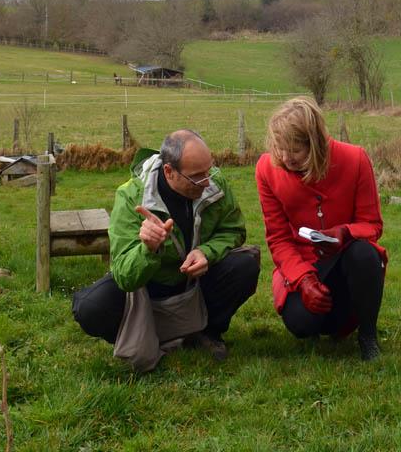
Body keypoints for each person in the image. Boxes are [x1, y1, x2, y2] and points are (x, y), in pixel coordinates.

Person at [72, 129, 260, 366]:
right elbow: (123, 276)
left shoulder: (214, 182)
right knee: (90, 307)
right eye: (197, 177)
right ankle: (149, 336)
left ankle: (207, 331)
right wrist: (147, 250)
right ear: (169, 172)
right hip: (149, 290)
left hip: (196, 282)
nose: (207, 182)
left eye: (209, 170)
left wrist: (206, 252)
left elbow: (234, 230)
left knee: (244, 266)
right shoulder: (131, 197)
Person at [255, 97, 387, 361]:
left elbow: (372, 224)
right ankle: (319, 318)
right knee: (301, 324)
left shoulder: (354, 159)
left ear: (315, 145)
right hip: (302, 264)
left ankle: (368, 336)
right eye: (279, 149)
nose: (284, 158)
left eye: (294, 151)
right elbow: (279, 240)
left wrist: (345, 233)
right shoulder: (267, 170)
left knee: (364, 253)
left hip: (347, 260)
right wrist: (303, 281)